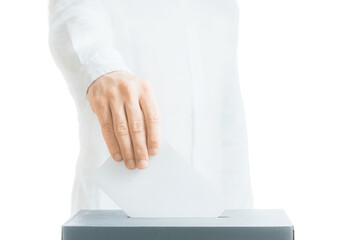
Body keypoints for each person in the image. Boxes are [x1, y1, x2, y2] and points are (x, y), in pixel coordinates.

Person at [48, 0, 254, 216]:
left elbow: (228, 130)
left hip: (212, 223)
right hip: (115, 218)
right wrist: (104, 70)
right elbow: (73, 11)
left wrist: (243, 220)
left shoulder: (223, 7)